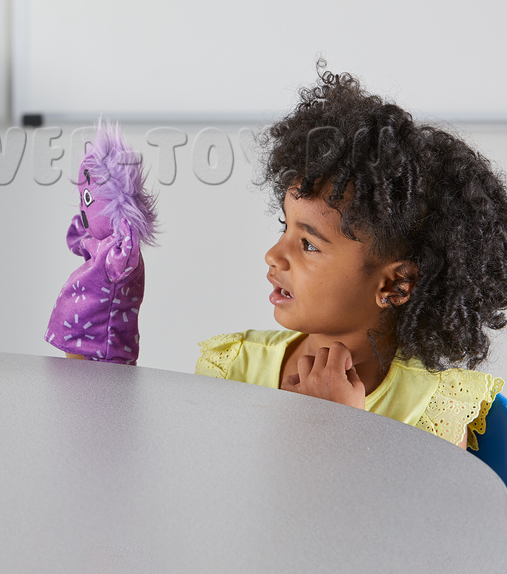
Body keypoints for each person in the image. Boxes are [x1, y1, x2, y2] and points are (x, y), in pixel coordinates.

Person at [196, 69, 507, 449]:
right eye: (284, 226)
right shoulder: (234, 368)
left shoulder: (434, 407)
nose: (273, 255)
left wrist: (339, 430)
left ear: (396, 284)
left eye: (309, 244)